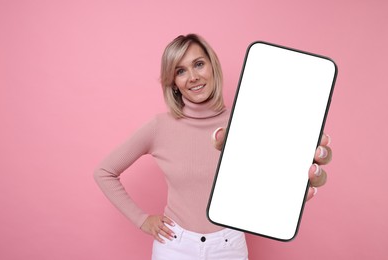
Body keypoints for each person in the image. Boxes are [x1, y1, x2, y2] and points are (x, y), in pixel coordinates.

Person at [94, 34, 332, 260]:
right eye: (180, 71)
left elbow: (266, 178)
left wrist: (298, 173)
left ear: (212, 67)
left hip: (229, 246)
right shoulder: (159, 126)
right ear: (174, 82)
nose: (193, 77)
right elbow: (104, 172)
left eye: (198, 64)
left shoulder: (245, 122)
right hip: (175, 246)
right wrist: (142, 220)